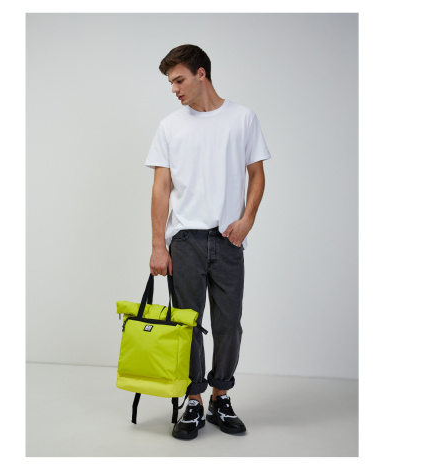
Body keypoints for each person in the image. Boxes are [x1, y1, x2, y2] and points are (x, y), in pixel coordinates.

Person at [145, 44, 271, 440]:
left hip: (228, 238)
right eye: (171, 83)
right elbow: (161, 188)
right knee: (188, 325)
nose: (174, 89)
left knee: (229, 324)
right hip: (185, 240)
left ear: (202, 74)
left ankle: (220, 397)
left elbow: (257, 174)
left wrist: (247, 220)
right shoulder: (170, 126)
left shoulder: (242, 118)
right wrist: (158, 245)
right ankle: (194, 401)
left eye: (179, 80)